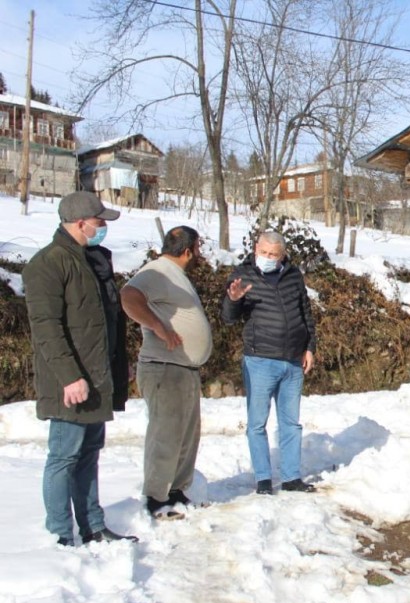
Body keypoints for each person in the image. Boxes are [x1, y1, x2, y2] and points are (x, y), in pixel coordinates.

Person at [23, 191, 138, 546]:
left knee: (89, 456)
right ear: (80, 223)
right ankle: (59, 534)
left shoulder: (94, 261)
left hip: (97, 377)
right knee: (63, 457)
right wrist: (70, 376)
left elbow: (104, 322)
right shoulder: (48, 263)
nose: (104, 227)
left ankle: (93, 526)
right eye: (100, 221)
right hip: (70, 382)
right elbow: (46, 328)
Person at [121, 226, 212, 519]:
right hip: (164, 367)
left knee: (186, 434)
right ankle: (156, 496)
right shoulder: (157, 271)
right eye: (198, 248)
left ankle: (175, 491)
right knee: (166, 434)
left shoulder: (174, 275)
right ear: (187, 251)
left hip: (183, 369)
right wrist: (157, 326)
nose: (200, 253)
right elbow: (129, 296)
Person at [222, 231, 317, 495]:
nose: (267, 258)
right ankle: (263, 478)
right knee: (257, 422)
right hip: (260, 360)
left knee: (291, 423)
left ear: (282, 255)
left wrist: (310, 347)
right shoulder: (242, 275)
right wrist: (233, 299)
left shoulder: (293, 275)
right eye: (263, 252)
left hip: (293, 361)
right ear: (255, 249)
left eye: (273, 254)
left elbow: (305, 312)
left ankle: (291, 477)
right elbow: (229, 318)